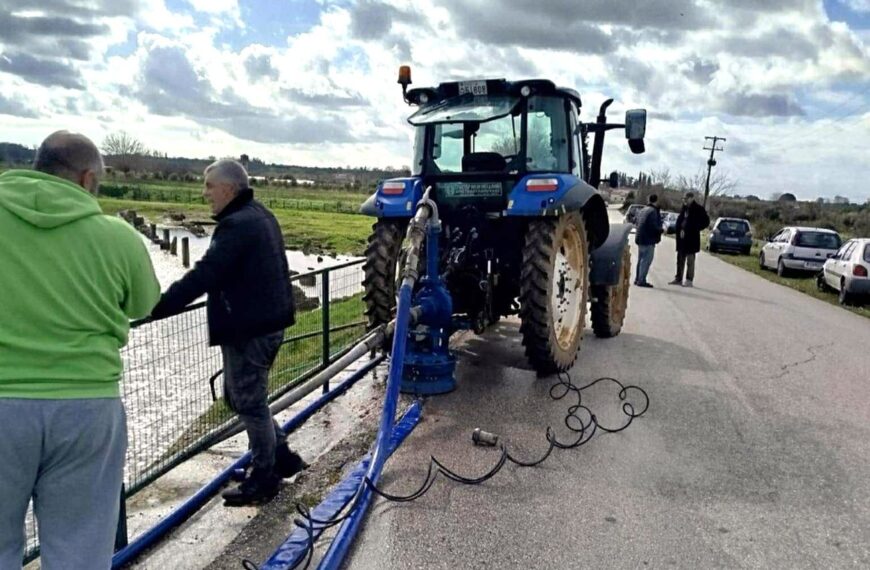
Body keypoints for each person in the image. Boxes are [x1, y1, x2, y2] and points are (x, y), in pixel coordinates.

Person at [0, 131, 160, 569]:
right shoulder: (117, 236)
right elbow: (144, 304)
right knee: (80, 550)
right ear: (89, 179)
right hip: (86, 409)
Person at [150, 159, 303, 506]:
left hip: (249, 328)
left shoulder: (237, 225)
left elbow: (206, 274)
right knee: (243, 398)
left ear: (229, 189)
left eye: (208, 186)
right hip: (265, 322)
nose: (204, 194)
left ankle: (264, 478)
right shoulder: (259, 214)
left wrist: (160, 306)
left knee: (247, 401)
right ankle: (281, 456)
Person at [669, 191, 710, 287]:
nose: (684, 201)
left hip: (691, 238)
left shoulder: (698, 209)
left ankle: (689, 279)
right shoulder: (684, 209)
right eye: (683, 199)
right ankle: (678, 278)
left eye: (686, 199)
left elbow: (706, 221)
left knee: (690, 260)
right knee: (680, 259)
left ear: (691, 198)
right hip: (682, 238)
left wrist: (696, 228)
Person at [633, 193, 663, 288]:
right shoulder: (653, 211)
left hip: (640, 238)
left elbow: (636, 222)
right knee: (646, 260)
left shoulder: (643, 210)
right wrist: (661, 230)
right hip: (648, 239)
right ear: (656, 201)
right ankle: (641, 280)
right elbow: (653, 226)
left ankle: (637, 278)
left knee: (640, 260)